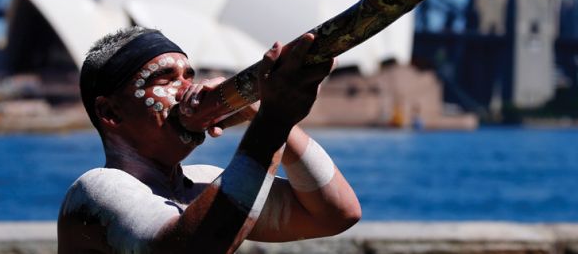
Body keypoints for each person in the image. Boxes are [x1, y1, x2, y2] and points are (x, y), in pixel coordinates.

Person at [57, 26, 361, 253]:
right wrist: (274, 118)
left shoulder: (200, 181)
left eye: (188, 76)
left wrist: (260, 111)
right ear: (110, 112)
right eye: (165, 79)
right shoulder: (96, 190)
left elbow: (336, 213)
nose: (187, 89)